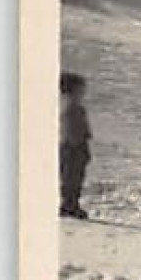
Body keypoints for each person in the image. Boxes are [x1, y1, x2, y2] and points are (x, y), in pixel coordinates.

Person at [59, 72, 92, 219]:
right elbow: (70, 131)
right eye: (80, 90)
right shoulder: (69, 110)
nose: (83, 93)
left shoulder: (77, 109)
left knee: (76, 177)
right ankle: (68, 205)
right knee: (70, 178)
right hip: (71, 147)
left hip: (76, 146)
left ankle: (72, 204)